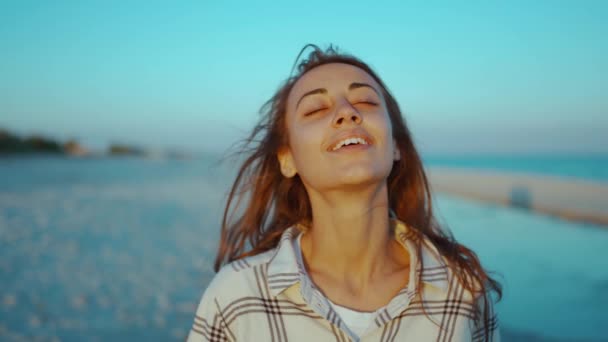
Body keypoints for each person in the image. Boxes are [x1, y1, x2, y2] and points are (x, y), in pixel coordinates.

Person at [187, 44, 501, 342]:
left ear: (395, 145)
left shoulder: (464, 292)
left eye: (365, 101)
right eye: (315, 109)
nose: (347, 112)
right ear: (287, 158)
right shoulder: (236, 297)